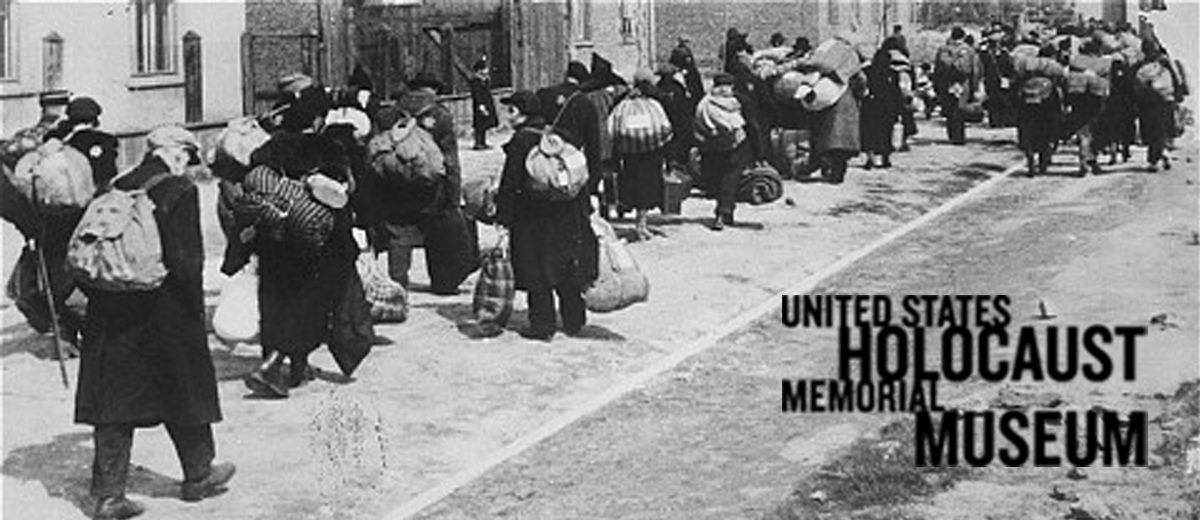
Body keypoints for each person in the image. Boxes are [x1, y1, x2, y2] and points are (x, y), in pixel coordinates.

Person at [76, 126, 234, 519]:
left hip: (112, 312)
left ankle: (108, 495)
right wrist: (195, 315)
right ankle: (198, 475)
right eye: (186, 157)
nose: (187, 164)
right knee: (184, 387)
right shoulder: (179, 189)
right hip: (165, 311)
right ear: (176, 153)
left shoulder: (115, 186)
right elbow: (186, 262)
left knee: (113, 402)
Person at [240, 85, 361, 398]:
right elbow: (343, 195)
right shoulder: (328, 148)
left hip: (276, 238)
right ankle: (282, 363)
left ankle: (283, 362)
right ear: (319, 119)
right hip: (314, 240)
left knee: (275, 297)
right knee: (310, 301)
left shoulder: (269, 149)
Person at [495, 91, 598, 341]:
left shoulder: (521, 140)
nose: (507, 115)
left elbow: (510, 183)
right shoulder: (558, 135)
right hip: (566, 213)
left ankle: (542, 325)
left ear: (520, 112)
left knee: (536, 269)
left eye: (511, 110)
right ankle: (574, 319)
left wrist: (503, 217)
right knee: (564, 265)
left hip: (533, 216)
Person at [379, 71, 478, 295]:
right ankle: (443, 283)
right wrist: (453, 196)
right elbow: (450, 160)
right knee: (437, 232)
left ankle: (398, 284)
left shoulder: (387, 114)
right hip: (432, 187)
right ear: (433, 89)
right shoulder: (440, 115)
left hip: (396, 186)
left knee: (399, 232)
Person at [614, 69, 669, 241]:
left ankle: (640, 222)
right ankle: (641, 223)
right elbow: (665, 127)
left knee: (634, 184)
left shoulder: (623, 102)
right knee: (648, 186)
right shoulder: (653, 103)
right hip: (651, 152)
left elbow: (612, 127)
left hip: (630, 153)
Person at [694, 73, 751, 230]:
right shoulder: (738, 101)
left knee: (718, 178)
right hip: (736, 144)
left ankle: (722, 210)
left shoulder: (705, 103)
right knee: (730, 178)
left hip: (712, 146)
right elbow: (752, 123)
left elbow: (697, 123)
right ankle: (725, 211)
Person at [1132, 37, 1181, 172]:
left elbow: (1135, 86)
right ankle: (1163, 152)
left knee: (1151, 130)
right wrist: (1178, 95)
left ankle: (1154, 159)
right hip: (1166, 99)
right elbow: (1177, 79)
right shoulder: (1166, 63)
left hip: (1148, 102)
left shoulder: (1140, 66)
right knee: (1163, 128)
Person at [860, 40, 905, 169]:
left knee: (869, 134)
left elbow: (862, 87)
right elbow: (897, 93)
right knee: (886, 133)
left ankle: (870, 158)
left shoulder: (868, 71)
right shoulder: (892, 73)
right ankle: (885, 158)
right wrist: (899, 111)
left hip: (870, 105)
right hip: (887, 107)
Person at [933, 27, 980, 144]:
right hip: (963, 82)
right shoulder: (969, 50)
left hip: (947, 82)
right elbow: (975, 70)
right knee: (960, 109)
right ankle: (959, 136)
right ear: (963, 37)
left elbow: (937, 69)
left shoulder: (943, 49)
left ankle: (952, 134)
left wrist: (937, 86)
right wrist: (974, 87)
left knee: (949, 109)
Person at [469, 57, 500, 150]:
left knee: (485, 124)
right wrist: (481, 106)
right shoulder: (475, 81)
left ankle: (483, 142)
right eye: (484, 68)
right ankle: (478, 143)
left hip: (487, 103)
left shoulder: (485, 80)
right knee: (479, 124)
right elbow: (477, 95)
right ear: (479, 70)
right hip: (480, 104)